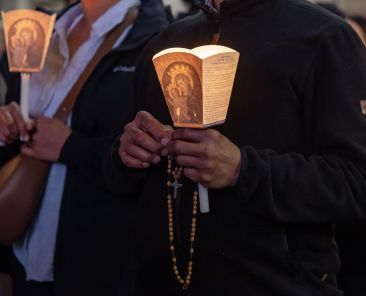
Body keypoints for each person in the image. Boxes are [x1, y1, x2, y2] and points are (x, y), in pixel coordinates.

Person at [104, 0, 366, 295]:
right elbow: (117, 176)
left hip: (274, 283)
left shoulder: (324, 38)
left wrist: (242, 169)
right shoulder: (167, 42)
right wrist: (128, 153)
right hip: (161, 281)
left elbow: (356, 180)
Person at [0, 0, 168, 295]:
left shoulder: (155, 38)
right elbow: (16, 128)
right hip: (26, 257)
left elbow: (156, 163)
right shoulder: (46, 29)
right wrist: (7, 127)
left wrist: (71, 146)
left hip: (98, 267)